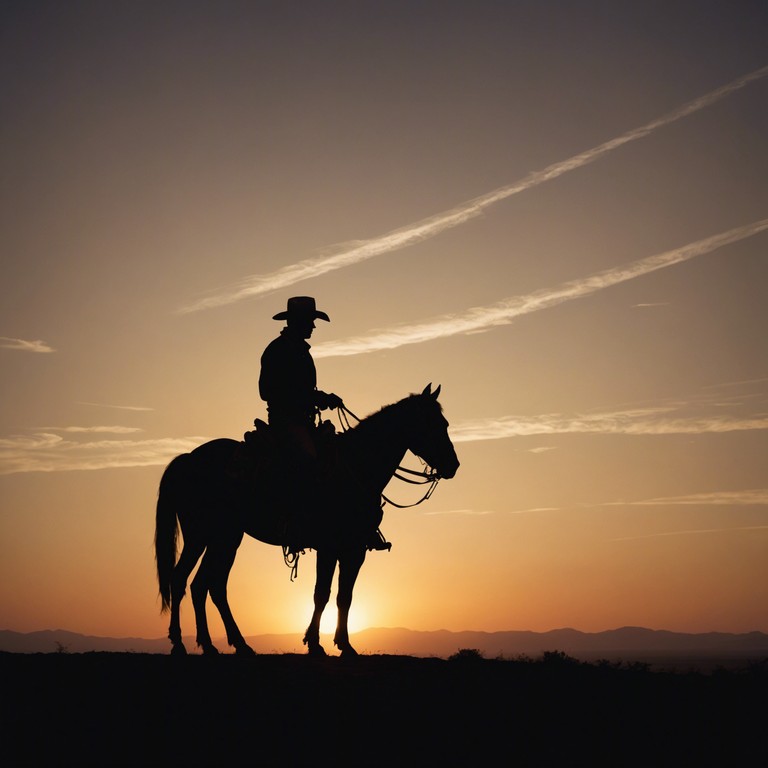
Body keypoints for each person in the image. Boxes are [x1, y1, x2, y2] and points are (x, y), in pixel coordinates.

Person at [259, 296, 389, 552]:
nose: (313, 327)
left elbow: (300, 389)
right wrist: (316, 397)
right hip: (286, 421)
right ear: (298, 322)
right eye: (310, 321)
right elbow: (268, 390)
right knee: (307, 459)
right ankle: (291, 521)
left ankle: (351, 522)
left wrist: (318, 398)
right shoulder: (277, 350)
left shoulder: (299, 351)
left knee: (339, 458)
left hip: (304, 422)